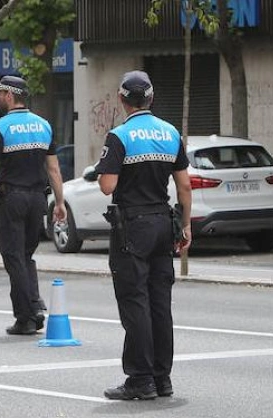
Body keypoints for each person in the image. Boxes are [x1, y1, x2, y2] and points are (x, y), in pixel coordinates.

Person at [96, 71, 192, 400]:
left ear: (122, 100)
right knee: (160, 303)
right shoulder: (170, 133)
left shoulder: (120, 136)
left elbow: (107, 185)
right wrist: (186, 225)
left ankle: (140, 378)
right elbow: (184, 186)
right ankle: (162, 378)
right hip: (164, 223)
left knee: (134, 301)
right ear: (151, 98)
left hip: (132, 226)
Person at [0, 76, 67, 335]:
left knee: (13, 257)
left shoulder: (0, 128)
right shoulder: (44, 125)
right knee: (25, 256)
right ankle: (29, 312)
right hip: (37, 199)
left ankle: (29, 312)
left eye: (0, 93)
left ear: (10, 96)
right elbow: (54, 169)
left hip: (11, 198)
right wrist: (59, 202)